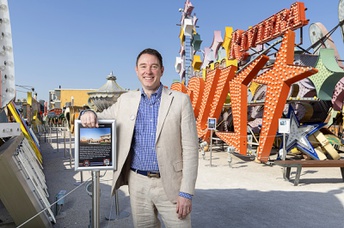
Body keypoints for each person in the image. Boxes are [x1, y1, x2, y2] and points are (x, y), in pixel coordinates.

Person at [80, 48, 199, 227]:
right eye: (143, 66)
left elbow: (191, 150)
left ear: (162, 70)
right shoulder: (126, 100)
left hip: (172, 185)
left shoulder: (180, 101)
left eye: (153, 66)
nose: (148, 71)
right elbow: (101, 116)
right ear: (136, 70)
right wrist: (87, 112)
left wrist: (186, 193)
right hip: (138, 184)